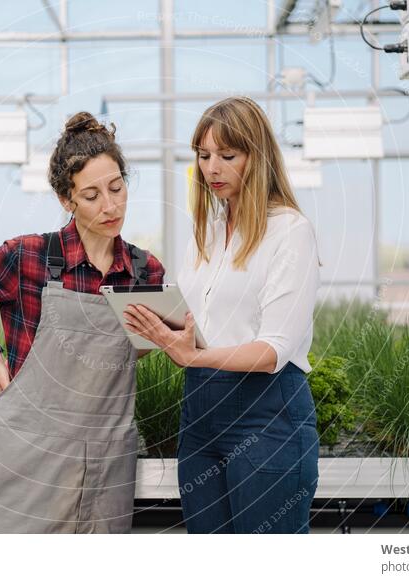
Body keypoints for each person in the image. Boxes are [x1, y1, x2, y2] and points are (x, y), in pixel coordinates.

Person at [0, 112, 165, 533]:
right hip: (25, 460)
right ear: (65, 200)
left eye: (116, 187)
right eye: (91, 195)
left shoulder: (146, 273)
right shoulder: (29, 257)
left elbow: (138, 354)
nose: (110, 206)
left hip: (105, 469)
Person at [123, 96, 321, 534]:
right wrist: (158, 329)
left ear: (258, 157)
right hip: (200, 415)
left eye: (227, 156)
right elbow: (201, 323)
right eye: (204, 155)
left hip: (266, 415)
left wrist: (192, 356)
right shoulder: (206, 234)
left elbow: (273, 351)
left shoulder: (290, 231)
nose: (212, 168)